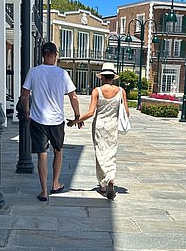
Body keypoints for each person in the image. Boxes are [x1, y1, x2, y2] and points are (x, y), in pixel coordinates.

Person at [21, 42, 82, 202]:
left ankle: (43, 191)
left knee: (42, 153)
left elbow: (25, 94)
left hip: (38, 119)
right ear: (55, 55)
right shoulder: (62, 74)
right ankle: (55, 183)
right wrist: (77, 115)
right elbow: (73, 96)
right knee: (58, 150)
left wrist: (27, 110)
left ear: (43, 55)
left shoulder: (33, 72)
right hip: (56, 120)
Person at [67, 62, 127, 200]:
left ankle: (103, 185)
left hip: (99, 126)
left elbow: (90, 112)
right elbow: (126, 112)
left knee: (100, 153)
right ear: (113, 77)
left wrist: (75, 121)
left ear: (101, 77)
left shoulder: (97, 91)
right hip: (113, 125)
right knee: (111, 153)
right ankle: (110, 178)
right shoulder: (121, 91)